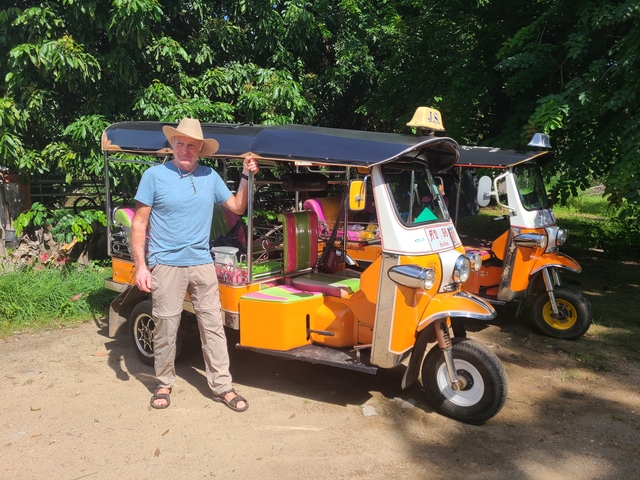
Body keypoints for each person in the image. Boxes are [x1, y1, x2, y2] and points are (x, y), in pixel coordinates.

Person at [131, 117, 259, 412]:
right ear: (172, 144)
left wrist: (245, 176)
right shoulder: (153, 176)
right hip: (166, 264)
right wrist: (141, 266)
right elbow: (139, 223)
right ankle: (163, 383)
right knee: (165, 327)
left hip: (202, 262)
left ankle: (222, 386)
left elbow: (237, 208)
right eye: (180, 143)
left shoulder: (209, 176)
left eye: (192, 144)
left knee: (213, 326)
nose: (185, 149)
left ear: (200, 149)